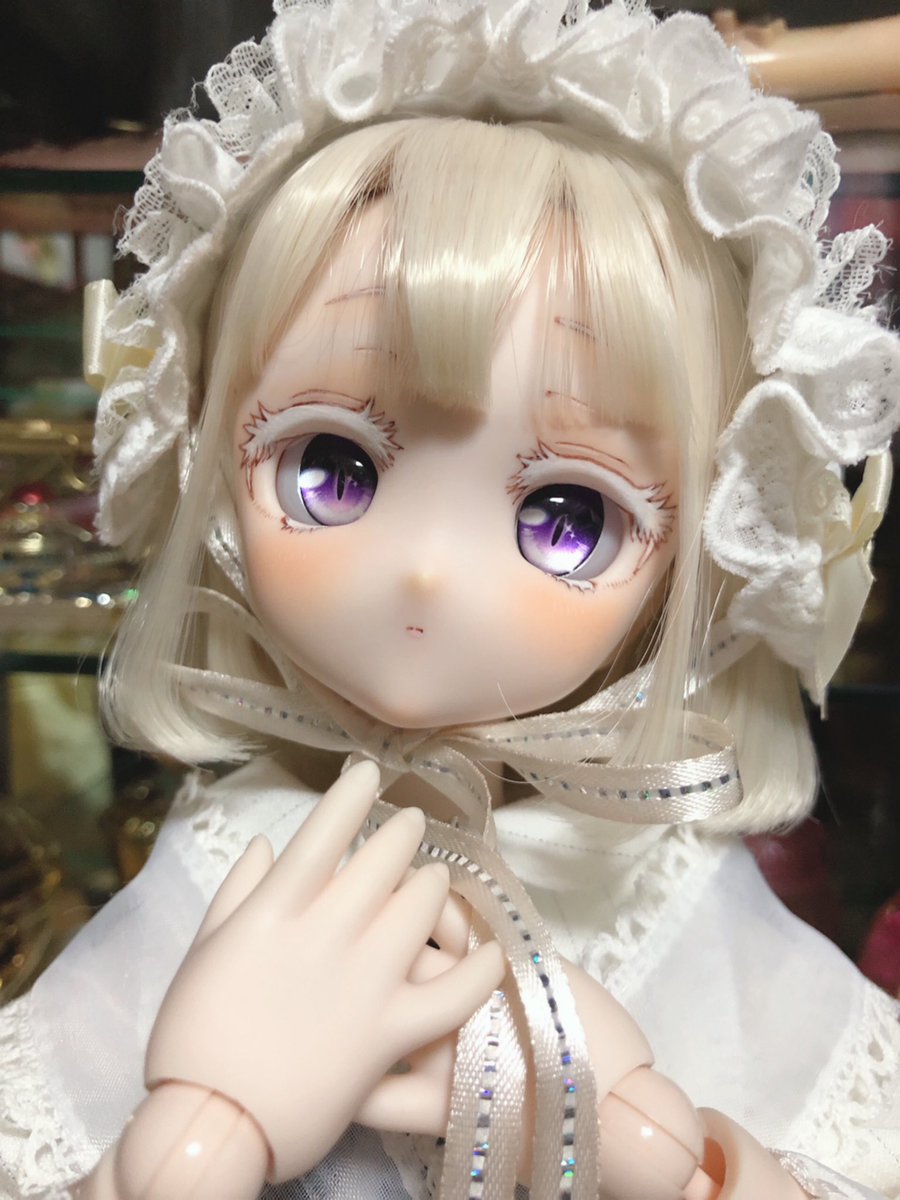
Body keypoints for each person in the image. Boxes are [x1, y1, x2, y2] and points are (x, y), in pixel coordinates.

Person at [2, 2, 899, 1197]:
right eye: (331, 469)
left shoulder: (639, 870)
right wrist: (199, 1133)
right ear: (207, 465)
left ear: (707, 549)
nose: (426, 568)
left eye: (567, 517)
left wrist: (655, 1150)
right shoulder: (238, 854)